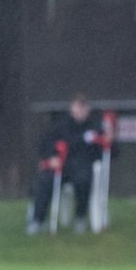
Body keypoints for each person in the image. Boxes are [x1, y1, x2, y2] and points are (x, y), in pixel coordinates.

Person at [26, 94, 109, 235]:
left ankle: (80, 217)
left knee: (83, 181)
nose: (80, 111)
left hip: (83, 166)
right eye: (78, 107)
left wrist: (108, 139)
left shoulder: (96, 127)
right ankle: (37, 220)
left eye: (84, 108)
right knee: (44, 181)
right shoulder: (60, 126)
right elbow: (46, 145)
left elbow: (109, 150)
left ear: (88, 109)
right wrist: (51, 158)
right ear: (72, 108)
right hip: (61, 166)